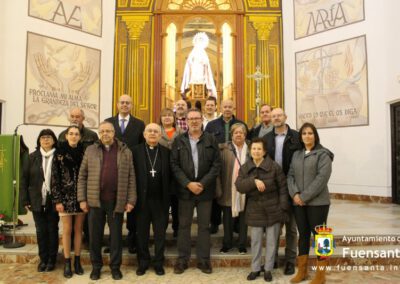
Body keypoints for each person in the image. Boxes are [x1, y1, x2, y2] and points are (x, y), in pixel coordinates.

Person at [77, 121, 137, 281]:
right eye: (102, 131)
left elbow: (132, 177)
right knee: (94, 236)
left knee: (116, 237)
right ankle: (96, 267)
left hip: (116, 201)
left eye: (108, 131)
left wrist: (131, 200)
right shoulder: (90, 150)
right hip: (95, 201)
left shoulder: (125, 151)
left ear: (114, 133)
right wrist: (82, 199)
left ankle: (115, 267)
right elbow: (82, 176)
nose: (105, 134)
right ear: (98, 133)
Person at [171, 108, 221, 275]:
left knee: (204, 227)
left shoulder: (211, 139)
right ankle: (182, 259)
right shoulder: (178, 141)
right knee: (184, 226)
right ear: (186, 120)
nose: (193, 121)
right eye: (190, 119)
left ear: (201, 120)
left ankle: (204, 260)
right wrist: (188, 184)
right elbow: (174, 165)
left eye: (196, 118)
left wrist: (202, 183)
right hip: (185, 191)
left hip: (205, 191)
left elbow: (216, 165)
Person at [235, 138, 289, 282]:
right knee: (256, 241)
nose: (256, 151)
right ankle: (255, 268)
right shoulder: (246, 167)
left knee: (272, 241)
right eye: (253, 149)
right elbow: (239, 186)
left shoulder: (274, 166)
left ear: (264, 151)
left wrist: (283, 208)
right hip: (255, 209)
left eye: (259, 149)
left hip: (274, 208)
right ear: (250, 151)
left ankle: (268, 269)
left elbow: (283, 188)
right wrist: (253, 181)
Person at [287, 122, 333, 284]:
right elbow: (290, 176)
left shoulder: (323, 154)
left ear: (315, 135)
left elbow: (321, 179)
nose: (307, 136)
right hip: (298, 202)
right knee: (303, 236)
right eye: (304, 133)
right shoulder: (296, 154)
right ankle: (302, 272)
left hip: (318, 203)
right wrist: (295, 194)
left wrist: (304, 196)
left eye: (310, 133)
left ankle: (321, 276)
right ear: (300, 136)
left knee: (322, 237)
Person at [262, 107, 301, 275]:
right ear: (270, 118)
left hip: (292, 187)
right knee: (274, 228)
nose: (276, 118)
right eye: (274, 116)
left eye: (279, 115)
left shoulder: (297, 137)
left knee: (291, 228)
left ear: (285, 117)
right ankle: (273, 259)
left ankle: (291, 261)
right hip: (273, 189)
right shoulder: (266, 138)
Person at [106, 94, 144, 254]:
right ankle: (113, 240)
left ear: (131, 105)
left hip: (132, 169)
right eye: (122, 102)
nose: (124, 105)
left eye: (128, 103)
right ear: (117, 104)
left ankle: (132, 237)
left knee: (132, 205)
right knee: (112, 207)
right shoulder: (109, 123)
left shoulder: (139, 124)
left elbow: (142, 147)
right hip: (111, 169)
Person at [133, 123, 171, 277]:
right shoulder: (134, 151)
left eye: (156, 131)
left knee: (160, 234)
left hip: (160, 201)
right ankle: (143, 263)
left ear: (160, 135)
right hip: (141, 201)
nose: (153, 134)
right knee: (141, 234)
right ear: (144, 134)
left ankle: (158, 263)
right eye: (150, 131)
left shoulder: (167, 152)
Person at [205, 99, 248, 234]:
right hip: (218, 163)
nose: (228, 109)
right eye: (225, 107)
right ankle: (215, 222)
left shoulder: (241, 124)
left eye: (230, 106)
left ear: (234, 108)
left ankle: (235, 224)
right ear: (221, 108)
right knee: (218, 193)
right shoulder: (212, 125)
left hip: (235, 162)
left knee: (236, 193)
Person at [20, 129, 59, 273]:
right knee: (40, 230)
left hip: (53, 199)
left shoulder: (58, 156)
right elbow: (24, 180)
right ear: (39, 140)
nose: (46, 140)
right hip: (36, 199)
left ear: (54, 140)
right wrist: (25, 200)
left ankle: (52, 260)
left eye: (49, 137)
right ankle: (43, 259)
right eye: (43, 137)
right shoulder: (31, 157)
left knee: (52, 230)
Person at [51, 125, 85, 278]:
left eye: (76, 134)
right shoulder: (59, 153)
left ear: (80, 137)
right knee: (67, 230)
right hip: (64, 198)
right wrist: (57, 200)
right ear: (66, 136)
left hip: (81, 197)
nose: (73, 136)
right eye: (71, 134)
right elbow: (55, 178)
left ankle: (77, 261)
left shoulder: (85, 152)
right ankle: (67, 262)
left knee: (79, 229)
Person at [216, 123, 249, 254]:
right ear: (232, 134)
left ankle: (242, 244)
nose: (239, 135)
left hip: (246, 189)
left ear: (245, 134)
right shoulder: (224, 149)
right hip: (228, 187)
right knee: (227, 219)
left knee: (243, 219)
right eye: (236, 132)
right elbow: (218, 169)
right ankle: (227, 243)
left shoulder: (252, 148)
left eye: (241, 132)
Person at [159, 108, 184, 237]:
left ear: (174, 118)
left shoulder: (181, 133)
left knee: (177, 203)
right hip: (161, 173)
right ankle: (161, 228)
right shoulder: (156, 132)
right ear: (161, 118)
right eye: (164, 116)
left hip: (177, 173)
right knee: (163, 203)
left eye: (169, 115)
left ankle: (177, 228)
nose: (167, 118)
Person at [180, 32, 217, 98]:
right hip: (194, 70)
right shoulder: (193, 52)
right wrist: (191, 61)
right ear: (196, 42)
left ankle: (202, 92)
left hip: (201, 70)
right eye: (198, 40)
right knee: (194, 79)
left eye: (201, 40)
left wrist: (204, 62)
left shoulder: (203, 53)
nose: (199, 42)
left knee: (201, 79)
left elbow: (206, 64)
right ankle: (192, 92)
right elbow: (189, 62)